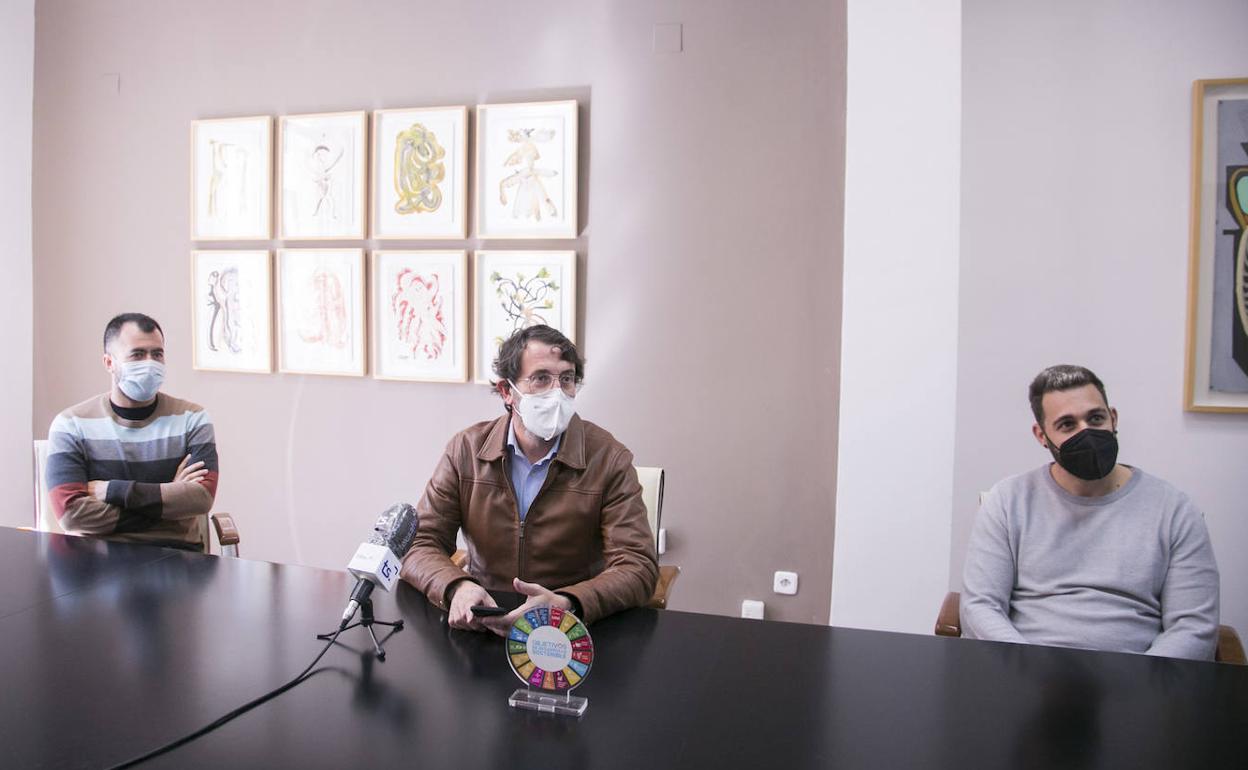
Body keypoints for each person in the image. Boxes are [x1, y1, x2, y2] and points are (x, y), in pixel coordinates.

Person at [401, 325, 658, 634]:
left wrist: (567, 602)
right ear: (507, 391)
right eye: (541, 378)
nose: (557, 392)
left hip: (570, 629)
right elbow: (419, 543)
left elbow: (638, 566)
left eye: (566, 379)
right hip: (484, 617)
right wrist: (457, 586)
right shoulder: (466, 450)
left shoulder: (609, 458)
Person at [961, 364, 1219, 660]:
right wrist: (1028, 667)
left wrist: (1141, 678)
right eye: (1067, 424)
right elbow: (980, 607)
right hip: (1028, 671)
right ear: (1041, 435)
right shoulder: (1007, 501)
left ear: (1113, 418)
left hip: (1136, 675)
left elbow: (1193, 627)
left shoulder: (1175, 510)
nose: (1086, 432)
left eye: (1095, 418)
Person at [46, 313, 219, 550]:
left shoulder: (192, 419)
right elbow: (71, 514)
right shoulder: (71, 424)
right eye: (137, 354)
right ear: (109, 363)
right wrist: (168, 505)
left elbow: (201, 499)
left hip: (177, 555)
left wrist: (111, 490)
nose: (150, 363)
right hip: (95, 559)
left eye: (157, 354)